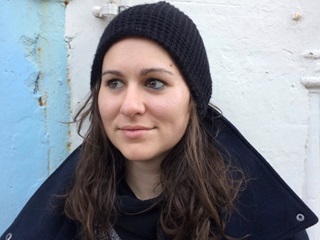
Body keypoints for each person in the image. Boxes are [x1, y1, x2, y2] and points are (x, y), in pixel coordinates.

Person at [1, 2, 318, 240]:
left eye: (154, 82)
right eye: (113, 82)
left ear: (193, 99)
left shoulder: (259, 220)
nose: (130, 106)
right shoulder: (62, 213)